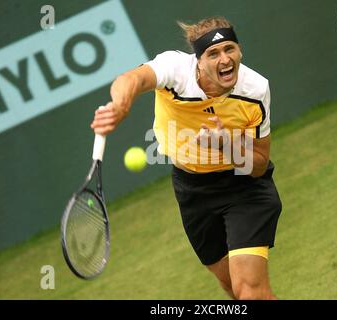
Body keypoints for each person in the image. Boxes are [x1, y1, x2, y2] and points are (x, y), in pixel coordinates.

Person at [90, 17, 282, 300]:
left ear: (240, 51)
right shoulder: (175, 70)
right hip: (192, 191)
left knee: (250, 293)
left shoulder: (255, 90)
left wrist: (226, 146)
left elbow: (259, 165)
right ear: (199, 61)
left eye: (230, 49)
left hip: (244, 189)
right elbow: (130, 79)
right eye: (213, 54)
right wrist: (120, 106)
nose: (224, 59)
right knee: (232, 288)